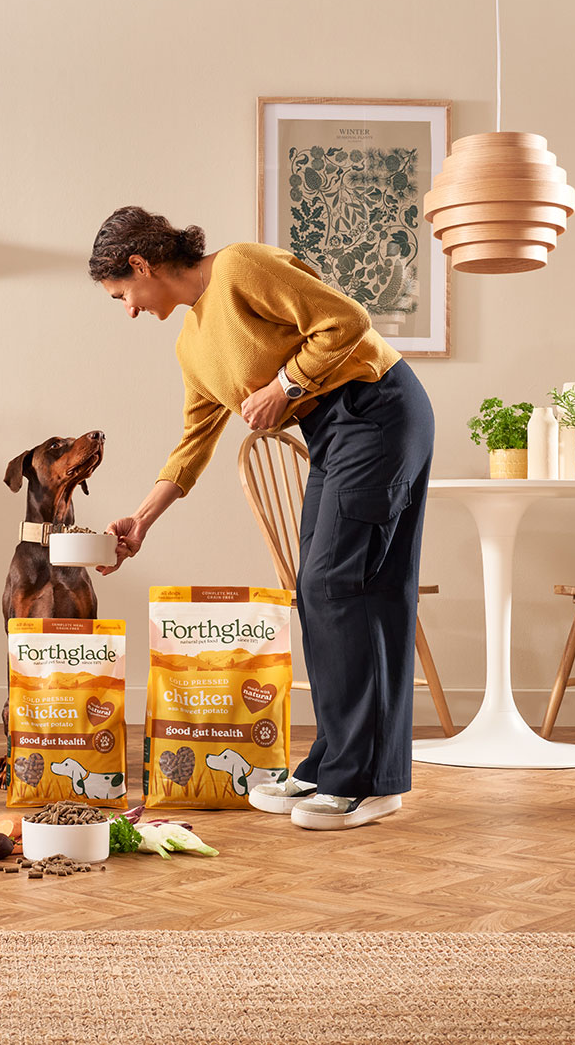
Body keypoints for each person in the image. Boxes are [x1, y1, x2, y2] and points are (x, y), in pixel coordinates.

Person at [89, 206, 434, 831]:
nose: (129, 308)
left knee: (339, 585)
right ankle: (342, 762)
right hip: (335, 431)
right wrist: (141, 519)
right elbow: (193, 443)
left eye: (123, 294)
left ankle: (360, 780)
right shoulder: (190, 344)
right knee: (329, 588)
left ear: (140, 264)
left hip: (378, 407)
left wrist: (286, 385)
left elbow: (347, 321)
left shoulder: (241, 265)